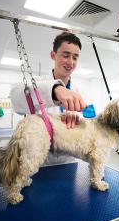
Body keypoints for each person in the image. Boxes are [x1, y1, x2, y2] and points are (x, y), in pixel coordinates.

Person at [10, 31, 87, 164]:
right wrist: (56, 90)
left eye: (75, 57)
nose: (70, 62)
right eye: (66, 55)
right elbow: (15, 96)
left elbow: (83, 128)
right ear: (53, 55)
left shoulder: (77, 91)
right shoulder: (38, 82)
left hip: (68, 162)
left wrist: (77, 122)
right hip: (40, 162)